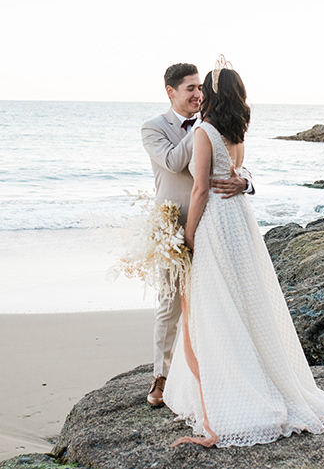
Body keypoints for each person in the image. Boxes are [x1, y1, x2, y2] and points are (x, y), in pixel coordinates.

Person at [164, 58, 324, 448]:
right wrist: (243, 182)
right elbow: (235, 172)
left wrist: (189, 233)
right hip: (240, 221)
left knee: (218, 302)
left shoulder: (204, 131)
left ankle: (236, 390)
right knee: (247, 297)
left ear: (211, 95)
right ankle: (265, 376)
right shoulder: (235, 130)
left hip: (214, 220)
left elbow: (199, 190)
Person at [140, 63, 252, 408]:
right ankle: (161, 376)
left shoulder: (213, 126)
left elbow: (237, 165)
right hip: (174, 227)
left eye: (200, 88)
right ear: (170, 92)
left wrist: (244, 181)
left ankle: (212, 377)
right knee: (169, 304)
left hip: (214, 225)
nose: (197, 94)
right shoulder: (153, 128)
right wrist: (204, 124)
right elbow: (174, 162)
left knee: (215, 304)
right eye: (189, 89)